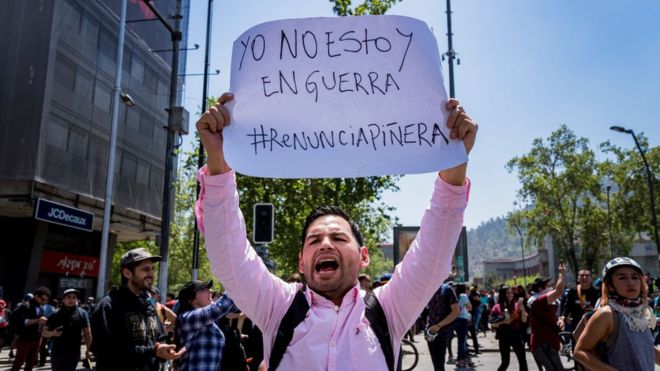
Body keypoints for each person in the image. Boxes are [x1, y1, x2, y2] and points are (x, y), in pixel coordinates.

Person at [194, 92, 477, 370]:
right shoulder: (277, 306)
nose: (325, 244)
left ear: (363, 256)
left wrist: (454, 166)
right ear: (301, 262)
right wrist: (218, 160)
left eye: (339, 237)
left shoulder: (389, 309)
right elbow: (229, 255)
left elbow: (432, 254)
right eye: (314, 240)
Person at [91, 248, 185, 370]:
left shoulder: (148, 304)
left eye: (152, 269)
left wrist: (164, 351)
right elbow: (107, 349)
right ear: (127, 273)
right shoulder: (108, 305)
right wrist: (153, 351)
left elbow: (159, 337)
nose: (151, 274)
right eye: (145, 269)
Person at [574, 257, 660, 370]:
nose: (631, 283)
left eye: (635, 277)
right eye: (622, 278)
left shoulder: (645, 312)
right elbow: (580, 352)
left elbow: (647, 348)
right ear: (610, 285)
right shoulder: (607, 314)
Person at [174, 280, 238, 371]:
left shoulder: (207, 321)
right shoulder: (187, 317)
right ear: (191, 299)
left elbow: (233, 305)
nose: (210, 291)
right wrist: (236, 281)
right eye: (204, 289)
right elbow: (221, 307)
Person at [42, 288, 92, 371]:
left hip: (73, 354)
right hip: (57, 353)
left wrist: (88, 349)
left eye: (74, 297)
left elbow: (87, 333)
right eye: (69, 297)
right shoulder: (55, 314)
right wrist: (53, 333)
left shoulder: (82, 313)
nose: (71, 299)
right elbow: (44, 332)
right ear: (63, 299)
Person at [529, 263, 565, 371]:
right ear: (541, 289)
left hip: (549, 341)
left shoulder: (547, 302)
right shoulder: (539, 301)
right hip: (542, 343)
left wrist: (560, 320)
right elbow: (559, 291)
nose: (551, 287)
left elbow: (551, 317)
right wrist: (561, 273)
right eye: (549, 285)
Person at [10, 286, 51, 371]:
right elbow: (22, 321)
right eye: (42, 299)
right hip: (24, 339)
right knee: (19, 362)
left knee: (31, 363)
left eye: (46, 300)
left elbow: (40, 324)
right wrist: (38, 320)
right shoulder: (25, 306)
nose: (43, 302)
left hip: (36, 339)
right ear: (36, 296)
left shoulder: (40, 308)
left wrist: (41, 337)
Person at [490, 286, 528, 371]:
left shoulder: (517, 305)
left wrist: (522, 309)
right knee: (505, 362)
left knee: (522, 361)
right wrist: (503, 321)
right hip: (503, 336)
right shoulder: (497, 307)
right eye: (507, 293)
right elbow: (492, 322)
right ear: (503, 294)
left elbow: (524, 320)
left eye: (511, 293)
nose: (510, 295)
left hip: (516, 335)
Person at [424, 280, 459, 371]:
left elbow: (455, 312)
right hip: (429, 331)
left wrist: (438, 326)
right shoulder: (426, 290)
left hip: (442, 331)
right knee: (436, 364)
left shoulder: (447, 289)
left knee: (439, 365)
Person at [454, 283, 473, 367]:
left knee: (460, 340)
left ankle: (461, 357)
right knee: (462, 341)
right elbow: (470, 307)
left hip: (455, 319)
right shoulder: (463, 296)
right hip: (463, 319)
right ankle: (460, 359)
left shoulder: (455, 295)